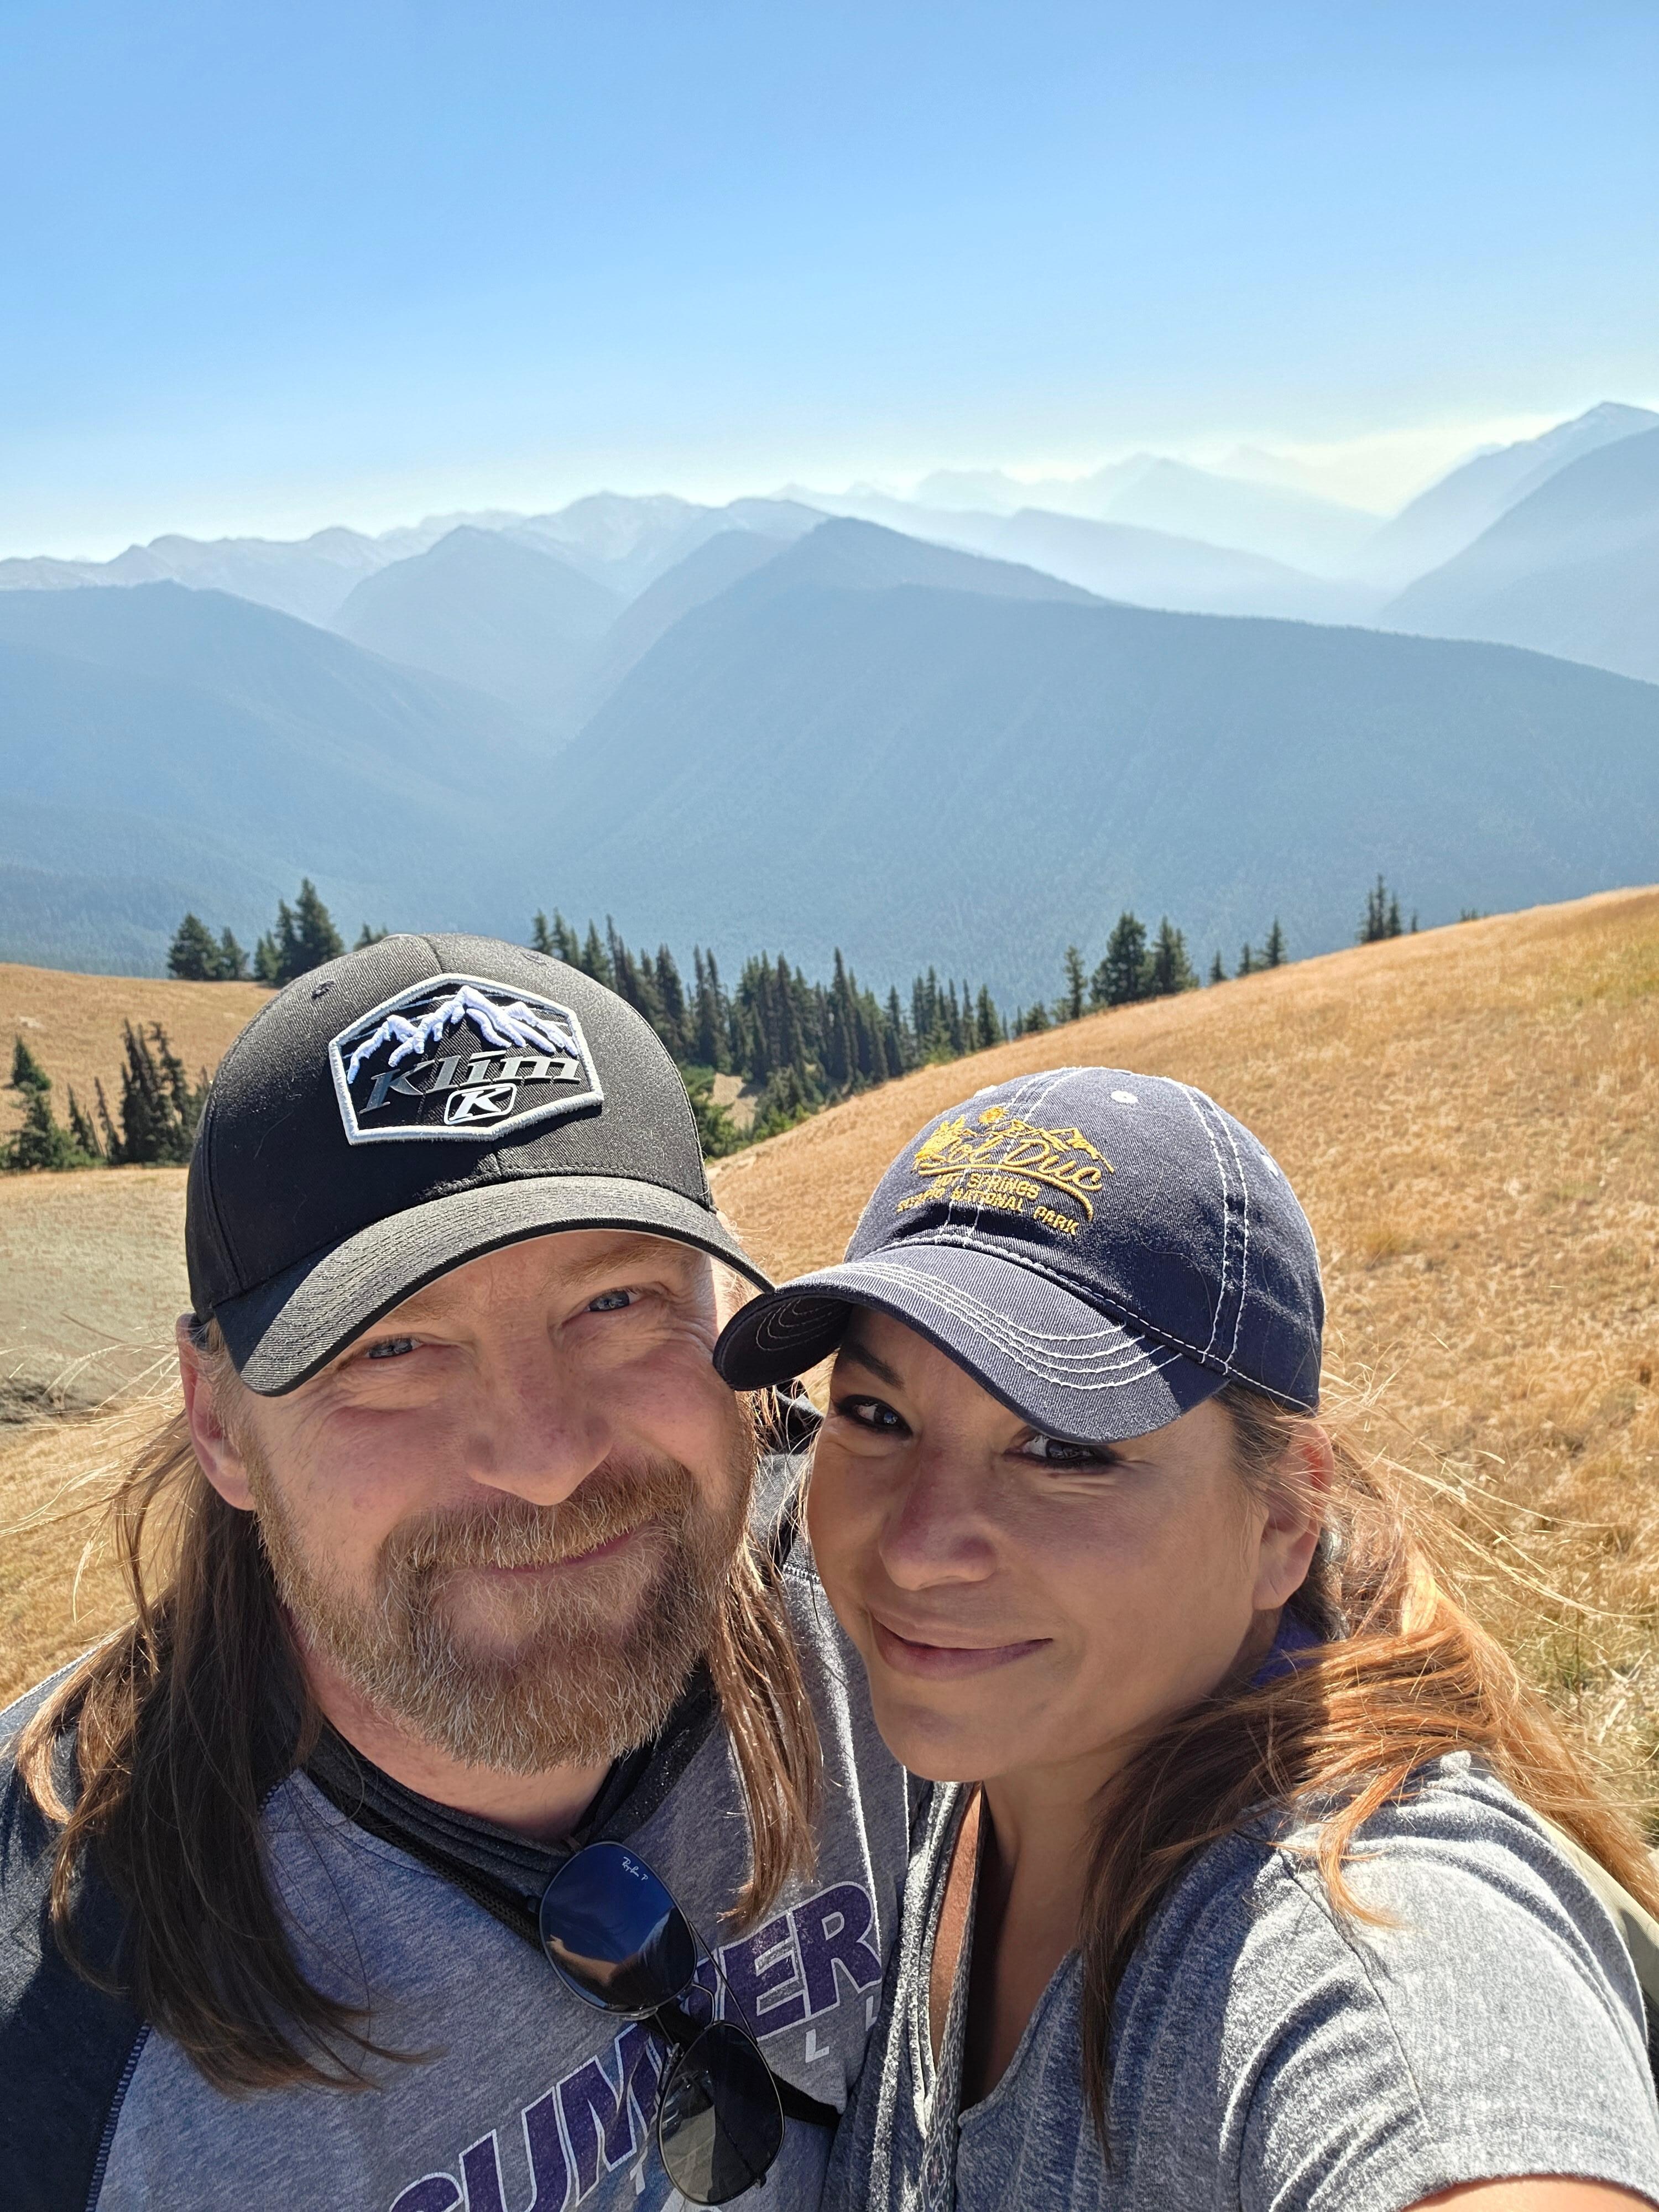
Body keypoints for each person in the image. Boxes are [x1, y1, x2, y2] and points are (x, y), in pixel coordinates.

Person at [0, 936, 913, 2212]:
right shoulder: (58, 2006)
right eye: (397, 1346)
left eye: (616, 1302)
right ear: (220, 1423)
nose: (545, 1457)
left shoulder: (897, 1609)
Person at [715, 1066, 1659, 2212]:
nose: (916, 1547)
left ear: (1280, 1515)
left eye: (1063, 1448)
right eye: (877, 1414)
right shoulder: (1013, 1760)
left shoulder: (1366, 1940)